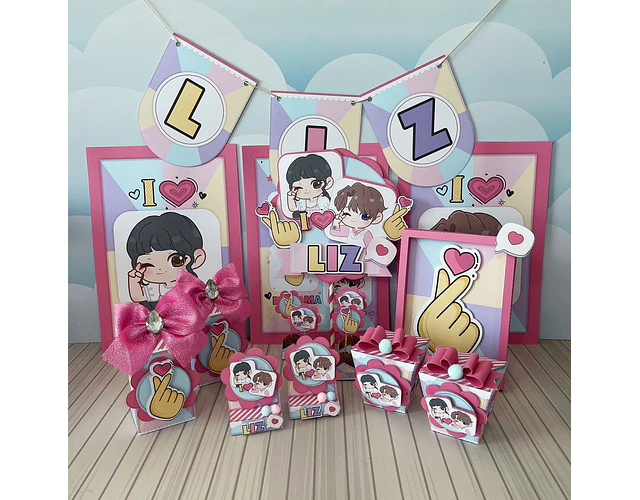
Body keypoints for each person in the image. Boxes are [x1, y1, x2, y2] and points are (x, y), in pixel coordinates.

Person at [125, 212, 206, 309]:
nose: (160, 270)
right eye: (148, 264)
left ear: (196, 258)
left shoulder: (190, 285)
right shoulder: (155, 288)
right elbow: (139, 297)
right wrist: (134, 282)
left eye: (175, 261)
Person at [330, 182, 387, 250]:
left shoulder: (366, 234)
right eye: (346, 214)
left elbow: (370, 248)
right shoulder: (349, 230)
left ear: (377, 218)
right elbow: (334, 233)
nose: (353, 219)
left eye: (364, 216)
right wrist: (336, 223)